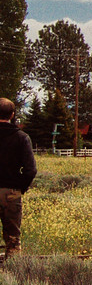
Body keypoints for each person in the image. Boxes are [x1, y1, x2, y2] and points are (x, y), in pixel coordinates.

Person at [0, 97, 35, 258]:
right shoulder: (21, 137)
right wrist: (20, 187)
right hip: (11, 191)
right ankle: (13, 276)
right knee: (13, 239)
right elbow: (30, 170)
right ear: (12, 115)